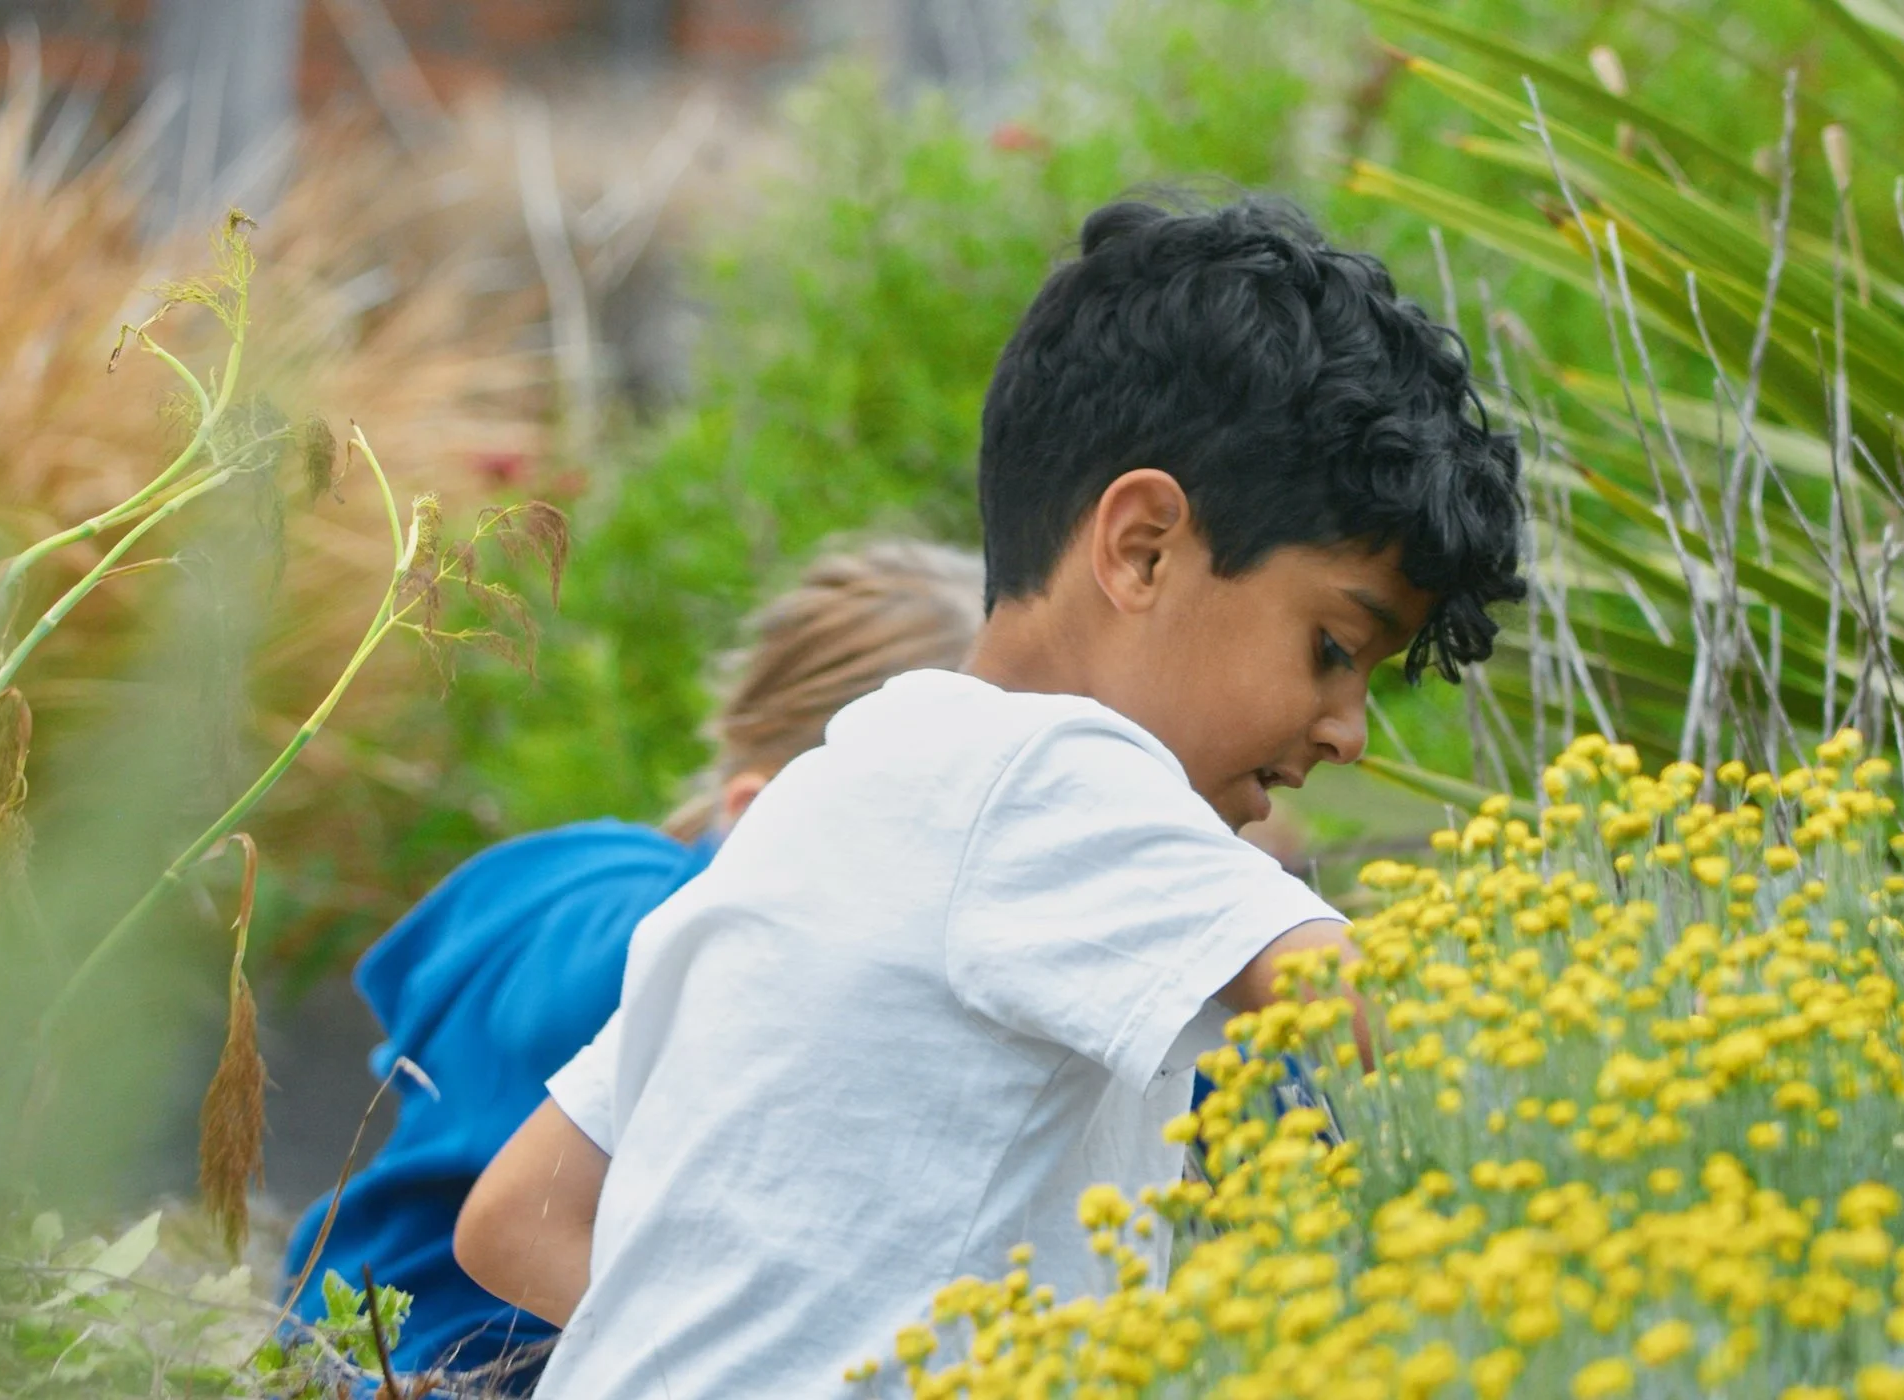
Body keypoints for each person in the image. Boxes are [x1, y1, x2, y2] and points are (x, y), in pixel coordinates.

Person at [453, 195, 1526, 1397]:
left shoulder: (830, 798)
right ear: (1141, 548)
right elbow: (1361, 1008)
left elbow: (518, 1211)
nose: (1346, 729)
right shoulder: (1051, 774)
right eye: (1334, 645)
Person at [277, 540, 986, 1389]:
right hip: (449, 1368)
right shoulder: (671, 961)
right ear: (759, 817)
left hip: (327, 1328)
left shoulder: (572, 873)